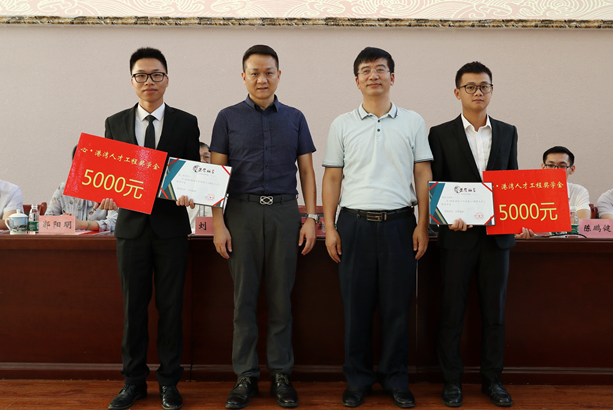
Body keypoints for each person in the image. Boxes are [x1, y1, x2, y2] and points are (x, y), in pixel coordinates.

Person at [322, 47, 432, 409]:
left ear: (392, 77)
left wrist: (422, 223)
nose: (374, 75)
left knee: (397, 308)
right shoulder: (342, 124)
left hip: (400, 224)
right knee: (356, 309)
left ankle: (395, 378)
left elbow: (422, 174)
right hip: (353, 225)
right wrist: (330, 227)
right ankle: (357, 380)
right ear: (356, 80)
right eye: (366, 70)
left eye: (380, 69)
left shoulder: (413, 121)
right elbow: (333, 177)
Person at [210, 44, 317, 409]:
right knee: (244, 300)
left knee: (281, 299)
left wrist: (311, 218)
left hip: (285, 213)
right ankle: (246, 376)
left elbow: (307, 171)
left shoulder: (295, 117)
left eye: (269, 72)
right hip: (241, 213)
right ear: (243, 77)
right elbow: (217, 174)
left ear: (279, 75)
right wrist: (219, 224)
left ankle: (281, 375)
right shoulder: (227, 118)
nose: (262, 79)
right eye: (254, 73)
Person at [99, 47, 200, 410]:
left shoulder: (186, 122)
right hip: (131, 230)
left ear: (166, 79)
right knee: (133, 309)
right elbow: (109, 174)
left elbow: (192, 172)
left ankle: (169, 382)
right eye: (141, 75)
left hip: (171, 228)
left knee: (171, 308)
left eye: (156, 75)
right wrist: (107, 192)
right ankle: (133, 382)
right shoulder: (115, 123)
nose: (149, 82)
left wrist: (190, 192)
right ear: (132, 81)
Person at [428, 61, 517, 407]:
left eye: (484, 86)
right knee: (452, 311)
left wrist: (520, 217)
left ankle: (492, 380)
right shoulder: (440, 133)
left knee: (495, 313)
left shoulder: (508, 132)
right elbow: (435, 185)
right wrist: (445, 217)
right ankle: (451, 381)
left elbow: (511, 183)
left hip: (497, 238)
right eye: (470, 87)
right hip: (457, 237)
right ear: (457, 92)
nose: (478, 92)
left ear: (492, 91)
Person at [45, 146, 117, 232]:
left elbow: (114, 223)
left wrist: (80, 224)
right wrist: (60, 220)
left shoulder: (110, 189)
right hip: (69, 239)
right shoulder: (63, 188)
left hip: (99, 240)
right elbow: (46, 222)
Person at [542, 146, 590, 220]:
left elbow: (583, 222)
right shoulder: (530, 190)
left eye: (562, 166)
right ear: (543, 167)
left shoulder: (579, 191)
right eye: (551, 165)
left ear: (572, 169)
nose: (556, 170)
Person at [188, 142, 213, 232]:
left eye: (206, 157)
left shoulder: (221, 189)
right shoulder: (182, 188)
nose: (202, 161)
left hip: (216, 236)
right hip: (188, 235)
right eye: (198, 157)